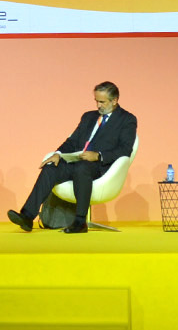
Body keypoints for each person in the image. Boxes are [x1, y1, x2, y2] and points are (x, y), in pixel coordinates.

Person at [7, 81, 138, 235]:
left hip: (100, 166)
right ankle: (28, 216)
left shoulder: (127, 119)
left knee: (82, 169)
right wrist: (58, 154)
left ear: (114, 100)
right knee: (51, 167)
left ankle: (80, 221)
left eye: (102, 102)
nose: (98, 106)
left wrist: (98, 155)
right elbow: (72, 141)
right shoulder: (88, 117)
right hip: (77, 160)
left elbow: (125, 149)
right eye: (96, 101)